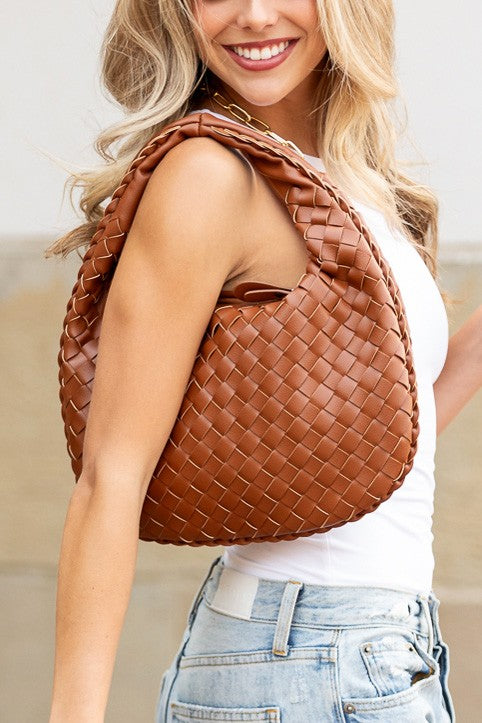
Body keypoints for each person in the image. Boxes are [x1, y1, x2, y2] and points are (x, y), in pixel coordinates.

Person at [46, 1, 482, 721]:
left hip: (366, 651)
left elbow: (385, 443)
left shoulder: (346, 177)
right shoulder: (207, 175)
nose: (252, 15)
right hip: (306, 658)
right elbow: (109, 476)